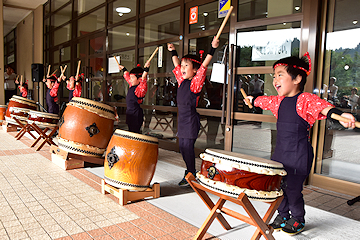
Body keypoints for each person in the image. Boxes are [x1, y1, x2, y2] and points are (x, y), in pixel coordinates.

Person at [245, 53, 355, 235]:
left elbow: (323, 107)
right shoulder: (278, 101)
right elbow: (263, 101)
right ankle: (282, 215)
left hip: (299, 155)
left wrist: (341, 115)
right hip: (280, 153)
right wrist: (252, 99)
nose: (275, 79)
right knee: (279, 186)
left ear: (297, 78)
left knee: (293, 190)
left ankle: (298, 218)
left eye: (280, 74)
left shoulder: (305, 100)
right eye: (274, 76)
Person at [167, 36, 219, 186]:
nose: (182, 68)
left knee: (188, 147)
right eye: (182, 65)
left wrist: (213, 48)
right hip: (182, 120)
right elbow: (176, 65)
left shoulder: (195, 84)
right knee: (182, 147)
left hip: (190, 121)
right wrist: (173, 52)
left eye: (186, 66)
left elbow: (204, 67)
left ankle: (191, 174)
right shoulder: (181, 81)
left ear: (194, 70)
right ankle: (190, 172)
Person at [118, 61, 151, 133]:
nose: (130, 79)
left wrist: (146, 68)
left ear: (139, 79)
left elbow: (143, 78)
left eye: (132, 77)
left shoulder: (140, 89)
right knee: (130, 131)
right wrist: (123, 68)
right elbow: (126, 76)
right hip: (130, 114)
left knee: (135, 132)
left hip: (136, 115)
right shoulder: (132, 85)